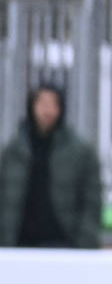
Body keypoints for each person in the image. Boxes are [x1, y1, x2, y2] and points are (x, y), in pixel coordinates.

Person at [0, 83, 102, 248]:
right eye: (42, 103)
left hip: (64, 243)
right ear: (32, 106)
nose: (47, 111)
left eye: (53, 104)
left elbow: (91, 201)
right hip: (20, 243)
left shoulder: (80, 152)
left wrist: (86, 240)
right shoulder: (13, 151)